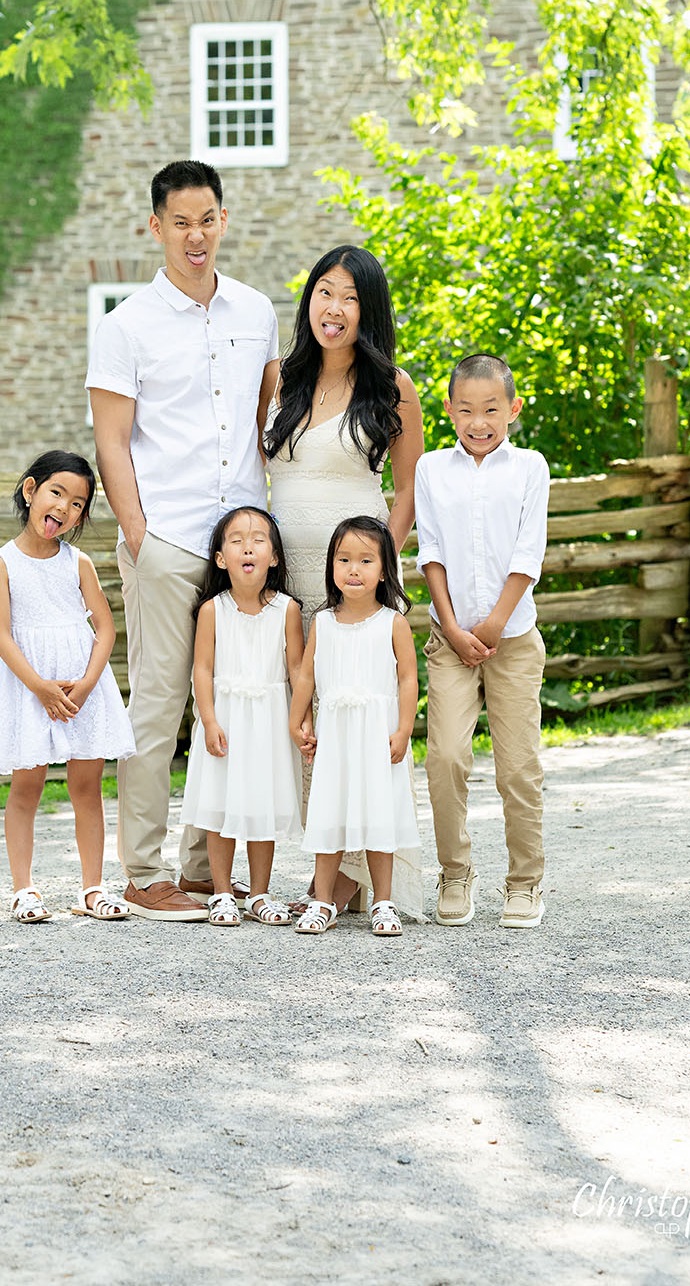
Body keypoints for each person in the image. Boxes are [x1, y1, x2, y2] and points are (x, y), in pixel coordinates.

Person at [87, 160, 280, 921]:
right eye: (180, 223)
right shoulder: (124, 326)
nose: (195, 236)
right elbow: (112, 445)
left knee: (230, 700)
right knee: (161, 702)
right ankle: (141, 870)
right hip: (166, 537)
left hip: (245, 546)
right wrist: (140, 538)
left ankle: (206, 867)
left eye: (207, 220)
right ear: (156, 228)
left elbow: (269, 425)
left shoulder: (258, 311)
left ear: (223, 221)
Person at [264, 245, 423, 915]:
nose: (334, 308)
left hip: (351, 582)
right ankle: (333, 865)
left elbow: (408, 489)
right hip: (281, 580)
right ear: (309, 300)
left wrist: (375, 572)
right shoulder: (278, 378)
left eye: (351, 298)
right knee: (297, 721)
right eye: (325, 292)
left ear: (369, 312)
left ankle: (348, 876)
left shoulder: (393, 388)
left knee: (352, 716)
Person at [416, 353, 550, 929]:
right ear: (448, 410)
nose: (478, 421)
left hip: (512, 638)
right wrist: (452, 627)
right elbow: (432, 553)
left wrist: (493, 623)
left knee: (517, 767)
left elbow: (528, 552)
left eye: (491, 409)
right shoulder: (430, 469)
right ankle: (454, 871)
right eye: (466, 409)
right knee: (445, 756)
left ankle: (525, 883)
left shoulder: (530, 468)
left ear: (512, 410)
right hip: (451, 639)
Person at [0, 452, 136, 923]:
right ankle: (24, 890)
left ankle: (92, 888)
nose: (65, 509)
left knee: (87, 787)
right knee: (26, 786)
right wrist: (40, 687)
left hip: (79, 686)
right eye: (57, 494)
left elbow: (106, 628)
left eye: (78, 504)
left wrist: (87, 684)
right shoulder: (2, 563)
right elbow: (2, 635)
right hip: (31, 685)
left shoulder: (79, 562)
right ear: (31, 491)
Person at [288, 516, 421, 937]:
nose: (353, 569)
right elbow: (306, 676)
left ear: (385, 570)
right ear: (331, 566)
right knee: (329, 813)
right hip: (337, 736)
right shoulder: (323, 623)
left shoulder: (393, 622)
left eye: (366, 560)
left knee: (379, 817)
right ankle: (322, 900)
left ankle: (383, 901)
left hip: (379, 736)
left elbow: (407, 679)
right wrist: (298, 720)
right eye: (344, 559)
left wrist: (404, 729)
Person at [180, 506, 304, 928]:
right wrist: (209, 719)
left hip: (269, 719)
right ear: (220, 558)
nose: (247, 546)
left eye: (258, 539)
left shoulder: (287, 609)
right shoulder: (212, 610)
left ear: (274, 557)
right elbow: (202, 669)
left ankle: (260, 893)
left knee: (262, 804)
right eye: (236, 539)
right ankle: (220, 892)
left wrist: (300, 718)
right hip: (227, 719)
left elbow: (296, 670)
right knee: (221, 805)